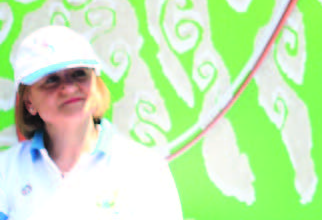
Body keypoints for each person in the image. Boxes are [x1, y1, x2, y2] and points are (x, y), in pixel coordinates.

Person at [0, 24, 184, 219]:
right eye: (51, 80)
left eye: (79, 74)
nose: (69, 88)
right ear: (28, 101)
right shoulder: (5, 171)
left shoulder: (145, 168)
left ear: (96, 82)